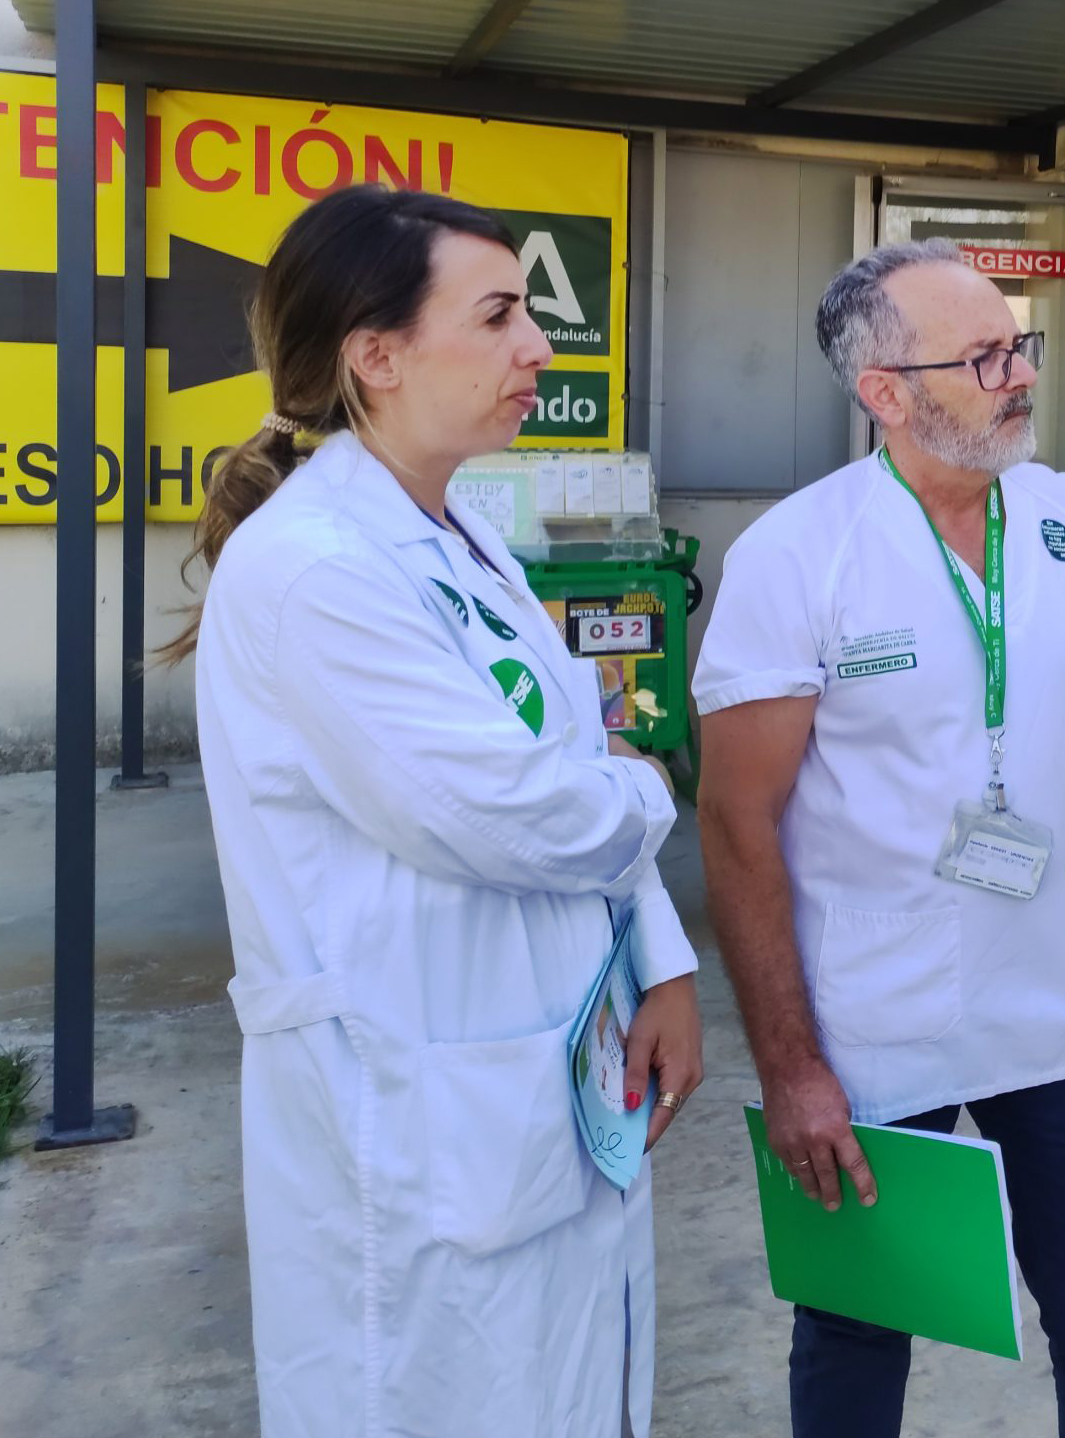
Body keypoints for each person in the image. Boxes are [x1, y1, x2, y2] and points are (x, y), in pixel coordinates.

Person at [183, 185, 704, 1438]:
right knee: (440, 1393)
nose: (538, 347)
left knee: (561, 1379)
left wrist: (665, 967)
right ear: (377, 356)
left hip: (535, 1053)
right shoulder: (317, 569)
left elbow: (572, 767)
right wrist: (651, 788)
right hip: (411, 1089)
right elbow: (522, 810)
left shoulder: (461, 532)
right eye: (498, 315)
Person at [693, 239, 1065, 1438]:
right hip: (872, 1020)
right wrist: (791, 1067)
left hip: (1057, 1003)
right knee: (858, 1323)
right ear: (885, 394)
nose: (1020, 375)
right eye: (985, 356)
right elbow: (735, 818)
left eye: (1021, 346)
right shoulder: (796, 557)